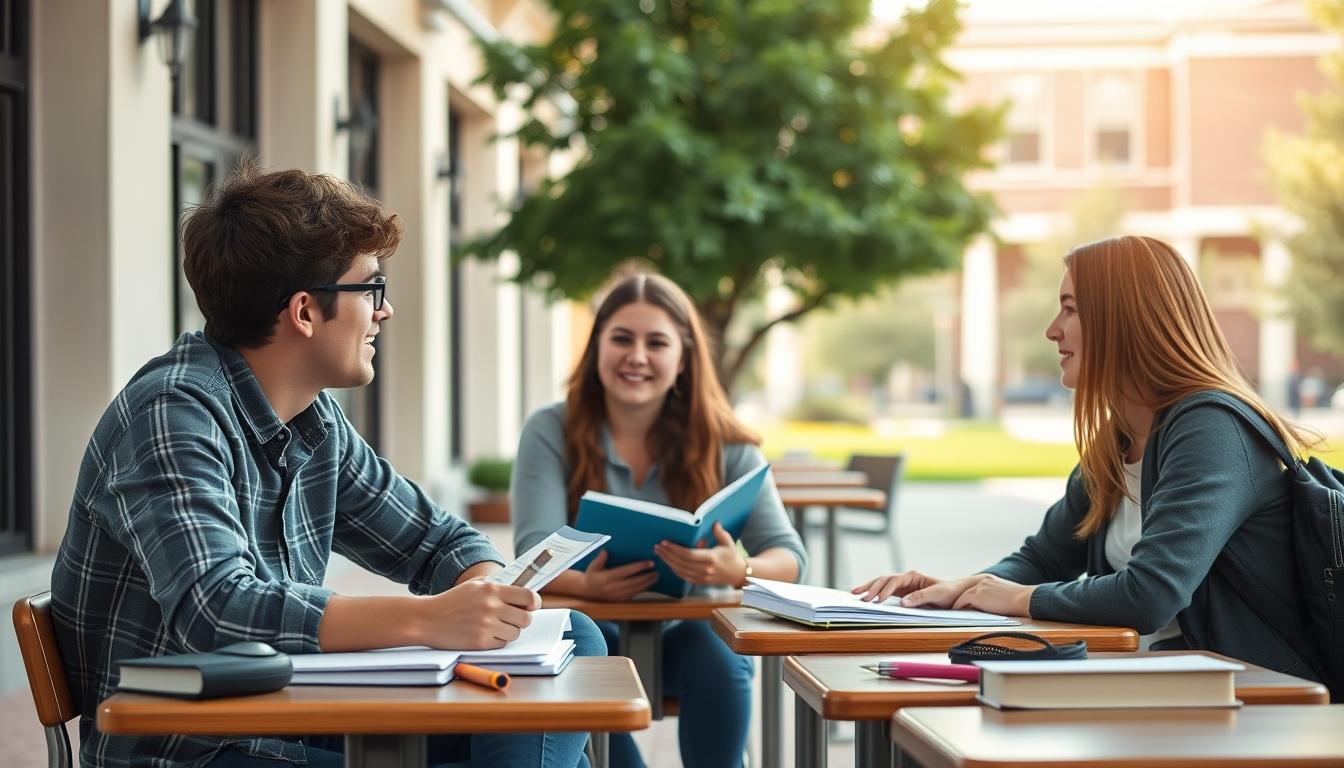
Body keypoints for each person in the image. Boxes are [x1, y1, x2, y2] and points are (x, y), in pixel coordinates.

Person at [49, 164, 603, 768]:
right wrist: (429, 619)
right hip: (195, 750)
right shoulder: (170, 413)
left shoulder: (316, 421)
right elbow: (217, 608)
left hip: (295, 718)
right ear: (306, 311)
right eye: (372, 289)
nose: (384, 312)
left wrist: (485, 590)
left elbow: (436, 541)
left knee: (574, 636)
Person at [854, 235, 1325, 683]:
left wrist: (1016, 598)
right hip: (1153, 680)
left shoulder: (1212, 429)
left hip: (1254, 695)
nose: (1052, 330)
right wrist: (962, 589)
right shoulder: (1120, 437)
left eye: (1070, 309)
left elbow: (1150, 596)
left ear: (1124, 319)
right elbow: (1045, 557)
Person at [511, 273, 808, 768]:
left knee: (717, 655)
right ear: (597, 347)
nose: (637, 357)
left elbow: (791, 557)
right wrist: (589, 586)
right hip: (592, 633)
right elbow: (533, 552)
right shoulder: (550, 429)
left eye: (657, 343)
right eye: (622, 339)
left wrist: (736, 570)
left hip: (684, 641)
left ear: (684, 358)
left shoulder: (728, 443)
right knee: (584, 643)